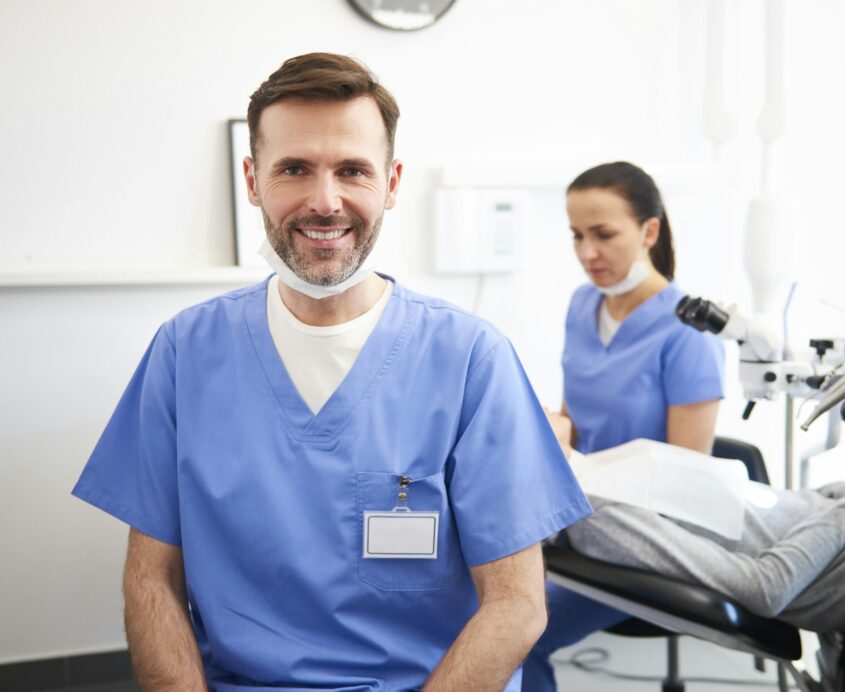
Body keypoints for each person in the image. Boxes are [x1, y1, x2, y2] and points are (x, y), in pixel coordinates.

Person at [72, 52, 591, 692]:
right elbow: (151, 579)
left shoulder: (470, 360)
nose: (325, 201)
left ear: (393, 183)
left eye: (353, 170)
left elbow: (516, 605)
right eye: (294, 168)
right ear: (253, 179)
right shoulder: (185, 353)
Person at [525, 162, 726, 689]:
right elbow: (572, 421)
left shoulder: (687, 333)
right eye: (577, 235)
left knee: (518, 633)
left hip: (642, 540)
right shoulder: (582, 305)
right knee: (463, 600)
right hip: (577, 516)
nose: (587, 253)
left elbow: (685, 486)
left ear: (649, 231)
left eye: (603, 234)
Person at [566, 468, 845, 632]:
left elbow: (765, 512)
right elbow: (764, 588)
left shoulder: (603, 468)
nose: (548, 407)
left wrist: (843, 491)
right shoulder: (600, 515)